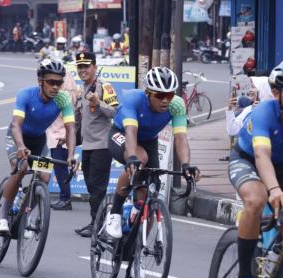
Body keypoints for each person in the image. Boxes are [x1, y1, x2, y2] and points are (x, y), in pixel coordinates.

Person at [104, 67, 200, 239]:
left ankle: (135, 244)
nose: (165, 100)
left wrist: (186, 165)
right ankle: (115, 212)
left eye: (169, 95)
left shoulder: (177, 105)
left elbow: (180, 137)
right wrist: (131, 157)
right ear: (148, 93)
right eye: (159, 95)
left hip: (149, 141)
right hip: (122, 133)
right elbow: (131, 131)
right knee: (140, 159)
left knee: (150, 191)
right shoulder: (133, 100)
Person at [227, 61, 283, 278]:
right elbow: (262, 155)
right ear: (276, 93)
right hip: (248, 159)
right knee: (256, 199)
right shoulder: (264, 112)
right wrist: (274, 190)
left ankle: (274, 269)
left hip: (282, 167)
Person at [0, 59, 78, 234]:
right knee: (21, 168)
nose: (55, 87)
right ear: (41, 81)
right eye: (51, 82)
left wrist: (71, 155)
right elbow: (16, 124)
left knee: (45, 178)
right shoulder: (26, 94)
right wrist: (21, 146)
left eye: (59, 83)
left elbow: (71, 128)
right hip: (17, 137)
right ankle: (2, 217)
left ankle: (26, 215)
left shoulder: (62, 99)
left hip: (39, 140)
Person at [73, 52, 119, 237]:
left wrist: (97, 102)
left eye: (86, 66)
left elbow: (115, 112)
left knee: (98, 189)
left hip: (101, 146)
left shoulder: (104, 86)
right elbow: (80, 119)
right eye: (80, 67)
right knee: (91, 188)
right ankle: (96, 222)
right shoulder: (83, 88)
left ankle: (98, 225)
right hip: (88, 146)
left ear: (95, 67)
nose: (83, 70)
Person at [48, 59, 80, 211]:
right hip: (56, 133)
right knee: (58, 166)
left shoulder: (63, 95)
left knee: (60, 167)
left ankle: (65, 198)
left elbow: (67, 120)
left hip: (60, 134)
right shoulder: (69, 91)